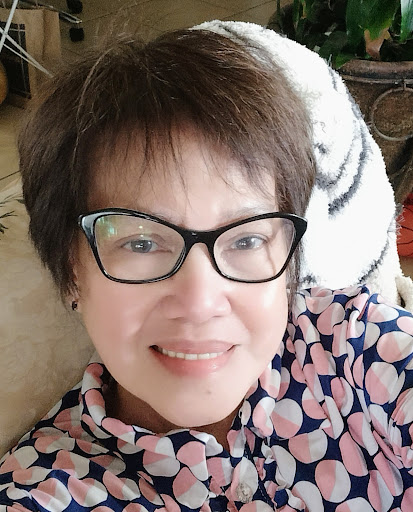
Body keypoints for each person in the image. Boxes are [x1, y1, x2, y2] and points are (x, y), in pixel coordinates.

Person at [0, 21, 413, 512]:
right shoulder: (43, 492)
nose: (200, 302)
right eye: (141, 242)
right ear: (71, 271)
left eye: (247, 239)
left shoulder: (357, 346)